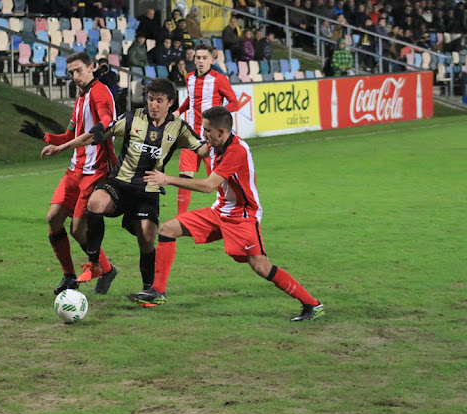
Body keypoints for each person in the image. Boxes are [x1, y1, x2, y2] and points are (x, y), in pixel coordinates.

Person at [132, 106, 325, 322]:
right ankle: (158, 292)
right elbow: (194, 146)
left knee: (261, 266)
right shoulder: (215, 143)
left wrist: (167, 179)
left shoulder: (236, 151)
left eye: (206, 130)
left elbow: (208, 186)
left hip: (242, 216)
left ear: (221, 132)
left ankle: (312, 304)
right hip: (219, 210)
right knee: (168, 229)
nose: (203, 134)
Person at [40, 79, 209, 293]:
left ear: (170, 103)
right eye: (150, 99)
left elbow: (203, 150)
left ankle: (149, 288)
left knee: (147, 237)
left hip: (147, 192)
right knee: (95, 202)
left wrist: (221, 142)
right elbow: (95, 134)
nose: (153, 105)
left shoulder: (178, 128)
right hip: (119, 185)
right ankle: (95, 263)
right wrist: (61, 148)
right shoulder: (132, 118)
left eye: (159, 100)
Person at [19, 52, 118, 295]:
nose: (74, 76)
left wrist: (102, 126)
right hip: (74, 170)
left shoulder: (100, 92)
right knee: (53, 217)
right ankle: (68, 275)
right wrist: (43, 136)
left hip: (95, 171)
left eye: (78, 70)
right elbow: (69, 136)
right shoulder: (81, 98)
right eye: (71, 72)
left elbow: (106, 120)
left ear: (91, 67)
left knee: (77, 230)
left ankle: (105, 269)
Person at [173, 44, 239, 215]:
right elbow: (192, 97)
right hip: (191, 136)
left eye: (204, 58)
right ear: (194, 59)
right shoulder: (189, 78)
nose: (200, 61)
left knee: (216, 181)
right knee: (184, 177)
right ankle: (180, 218)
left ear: (212, 59)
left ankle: (227, 211)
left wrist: (219, 116)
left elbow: (234, 102)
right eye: (198, 57)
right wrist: (179, 111)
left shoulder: (219, 79)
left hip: (213, 140)